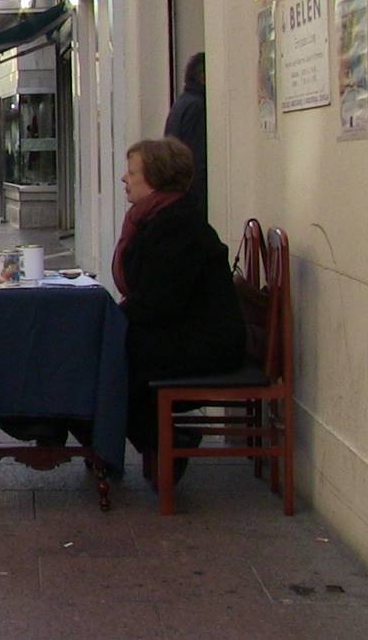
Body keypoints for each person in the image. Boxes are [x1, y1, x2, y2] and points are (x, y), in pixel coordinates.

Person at [114, 137, 244, 466]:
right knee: (107, 348)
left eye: (132, 172)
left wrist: (111, 320)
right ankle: (157, 440)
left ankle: (163, 442)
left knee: (110, 358)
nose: (124, 179)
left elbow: (158, 302)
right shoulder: (158, 218)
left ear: (156, 178)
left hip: (207, 342)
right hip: (185, 331)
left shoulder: (177, 225)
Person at [164, 52, 208, 212]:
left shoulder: (181, 103)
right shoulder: (197, 107)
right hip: (192, 194)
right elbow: (198, 158)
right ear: (203, 76)